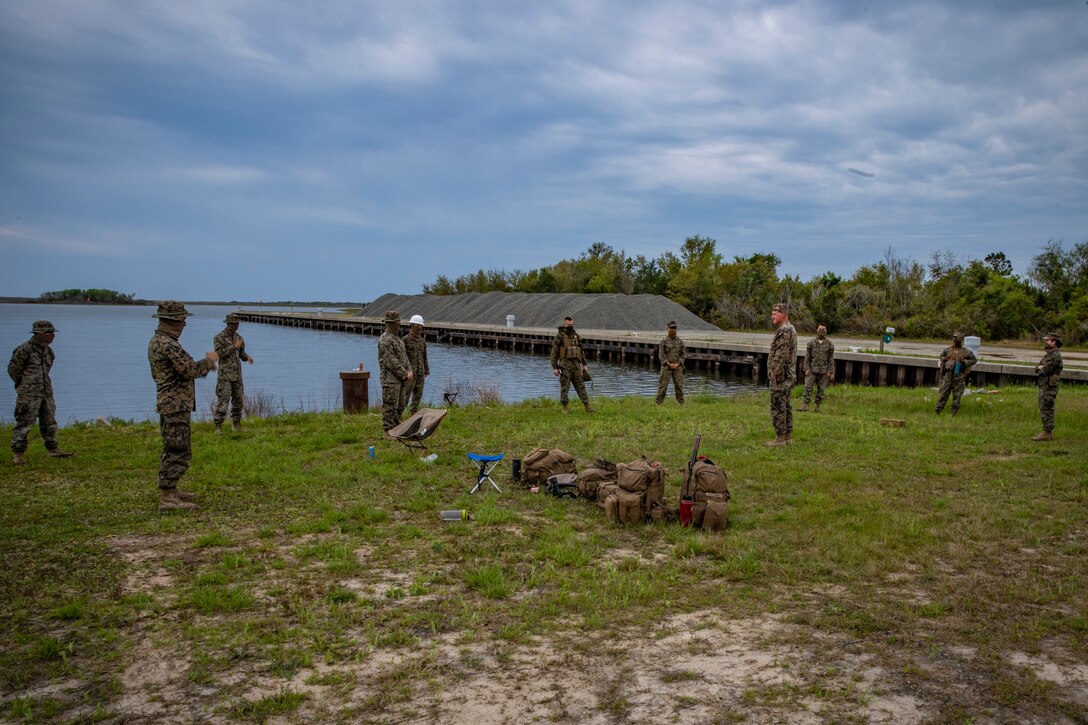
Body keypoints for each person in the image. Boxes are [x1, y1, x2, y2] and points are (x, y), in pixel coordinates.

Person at [148, 301, 218, 511]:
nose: (185, 323)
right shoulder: (167, 344)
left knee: (176, 446)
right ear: (173, 321)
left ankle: (172, 488)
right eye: (182, 319)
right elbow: (189, 370)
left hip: (173, 402)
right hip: (174, 403)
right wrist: (209, 360)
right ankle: (168, 496)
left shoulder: (161, 341)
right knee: (177, 448)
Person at [8, 320, 74, 465]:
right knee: (24, 423)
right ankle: (18, 454)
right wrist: (24, 384)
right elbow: (14, 370)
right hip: (28, 393)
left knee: (49, 421)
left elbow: (47, 369)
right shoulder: (24, 349)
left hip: (46, 391)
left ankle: (53, 449)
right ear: (38, 334)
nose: (51, 336)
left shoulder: (48, 351)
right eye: (47, 333)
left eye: (52, 333)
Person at [213, 313, 254, 434]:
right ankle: (218, 426)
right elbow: (219, 353)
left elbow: (241, 353)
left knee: (238, 401)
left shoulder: (239, 337)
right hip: (225, 376)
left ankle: (236, 424)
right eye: (235, 323)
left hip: (237, 375)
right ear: (229, 324)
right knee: (223, 401)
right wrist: (233, 346)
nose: (237, 325)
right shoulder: (219, 337)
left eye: (237, 323)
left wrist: (248, 357)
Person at [767, 302, 797, 446]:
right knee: (786, 405)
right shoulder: (790, 329)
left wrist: (774, 371)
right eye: (772, 312)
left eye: (775, 312)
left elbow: (781, 354)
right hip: (788, 374)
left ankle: (780, 438)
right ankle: (787, 437)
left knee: (778, 405)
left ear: (783, 314)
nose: (772, 315)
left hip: (781, 376)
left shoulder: (784, 330)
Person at [378, 311, 412, 432]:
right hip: (390, 379)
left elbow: (404, 357)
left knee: (401, 405)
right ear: (390, 324)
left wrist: (409, 370)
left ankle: (397, 428)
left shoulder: (398, 339)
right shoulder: (385, 340)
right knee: (390, 405)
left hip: (401, 379)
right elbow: (391, 361)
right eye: (397, 322)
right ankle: (388, 429)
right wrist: (405, 373)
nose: (399, 324)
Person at [550, 316, 592, 413]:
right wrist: (555, 367)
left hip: (576, 365)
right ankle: (565, 407)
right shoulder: (559, 336)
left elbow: (581, 350)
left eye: (572, 324)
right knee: (565, 386)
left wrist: (585, 364)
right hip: (565, 365)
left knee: (580, 385)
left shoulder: (575, 335)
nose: (571, 326)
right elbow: (554, 353)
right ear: (564, 324)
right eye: (569, 325)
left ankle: (587, 406)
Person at [934, 332, 977, 415]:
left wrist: (964, 361)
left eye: (957, 338)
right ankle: (937, 411)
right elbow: (941, 356)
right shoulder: (948, 350)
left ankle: (954, 413)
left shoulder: (966, 351)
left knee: (957, 396)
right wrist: (944, 359)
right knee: (943, 394)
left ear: (961, 339)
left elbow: (974, 360)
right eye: (954, 338)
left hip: (959, 376)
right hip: (948, 375)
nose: (955, 339)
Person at [1032, 332, 1063, 441]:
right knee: (1044, 407)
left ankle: (1047, 432)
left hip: (1049, 386)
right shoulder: (1050, 354)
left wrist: (1040, 368)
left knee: (1047, 408)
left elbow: (1045, 370)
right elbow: (1038, 367)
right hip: (1046, 384)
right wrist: (1039, 368)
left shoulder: (1054, 355)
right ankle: (1046, 431)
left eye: (1048, 340)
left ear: (1054, 342)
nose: (1045, 342)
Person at [799, 324, 835, 413]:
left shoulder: (830, 344)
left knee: (821, 390)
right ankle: (805, 406)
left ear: (826, 331)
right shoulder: (811, 343)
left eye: (823, 329)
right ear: (817, 330)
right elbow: (807, 357)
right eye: (820, 329)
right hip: (812, 370)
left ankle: (817, 407)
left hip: (824, 371)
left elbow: (831, 358)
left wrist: (830, 371)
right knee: (808, 388)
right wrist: (806, 368)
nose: (821, 331)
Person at [400, 314, 429, 416]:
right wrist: (406, 372)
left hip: (420, 373)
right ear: (412, 325)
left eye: (421, 325)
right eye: (418, 325)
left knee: (418, 395)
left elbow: (424, 356)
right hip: (410, 374)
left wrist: (426, 370)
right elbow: (402, 357)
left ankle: (413, 414)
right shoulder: (405, 340)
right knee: (405, 396)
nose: (420, 327)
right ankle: (398, 416)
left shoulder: (422, 341)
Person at [656, 321, 685, 405]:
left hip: (678, 367)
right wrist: (668, 364)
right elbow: (661, 355)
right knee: (662, 386)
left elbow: (683, 355)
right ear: (668, 328)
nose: (673, 329)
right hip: (666, 367)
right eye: (671, 328)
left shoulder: (680, 341)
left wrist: (678, 364)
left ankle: (681, 404)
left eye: (674, 328)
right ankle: (658, 404)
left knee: (679, 386)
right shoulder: (663, 341)